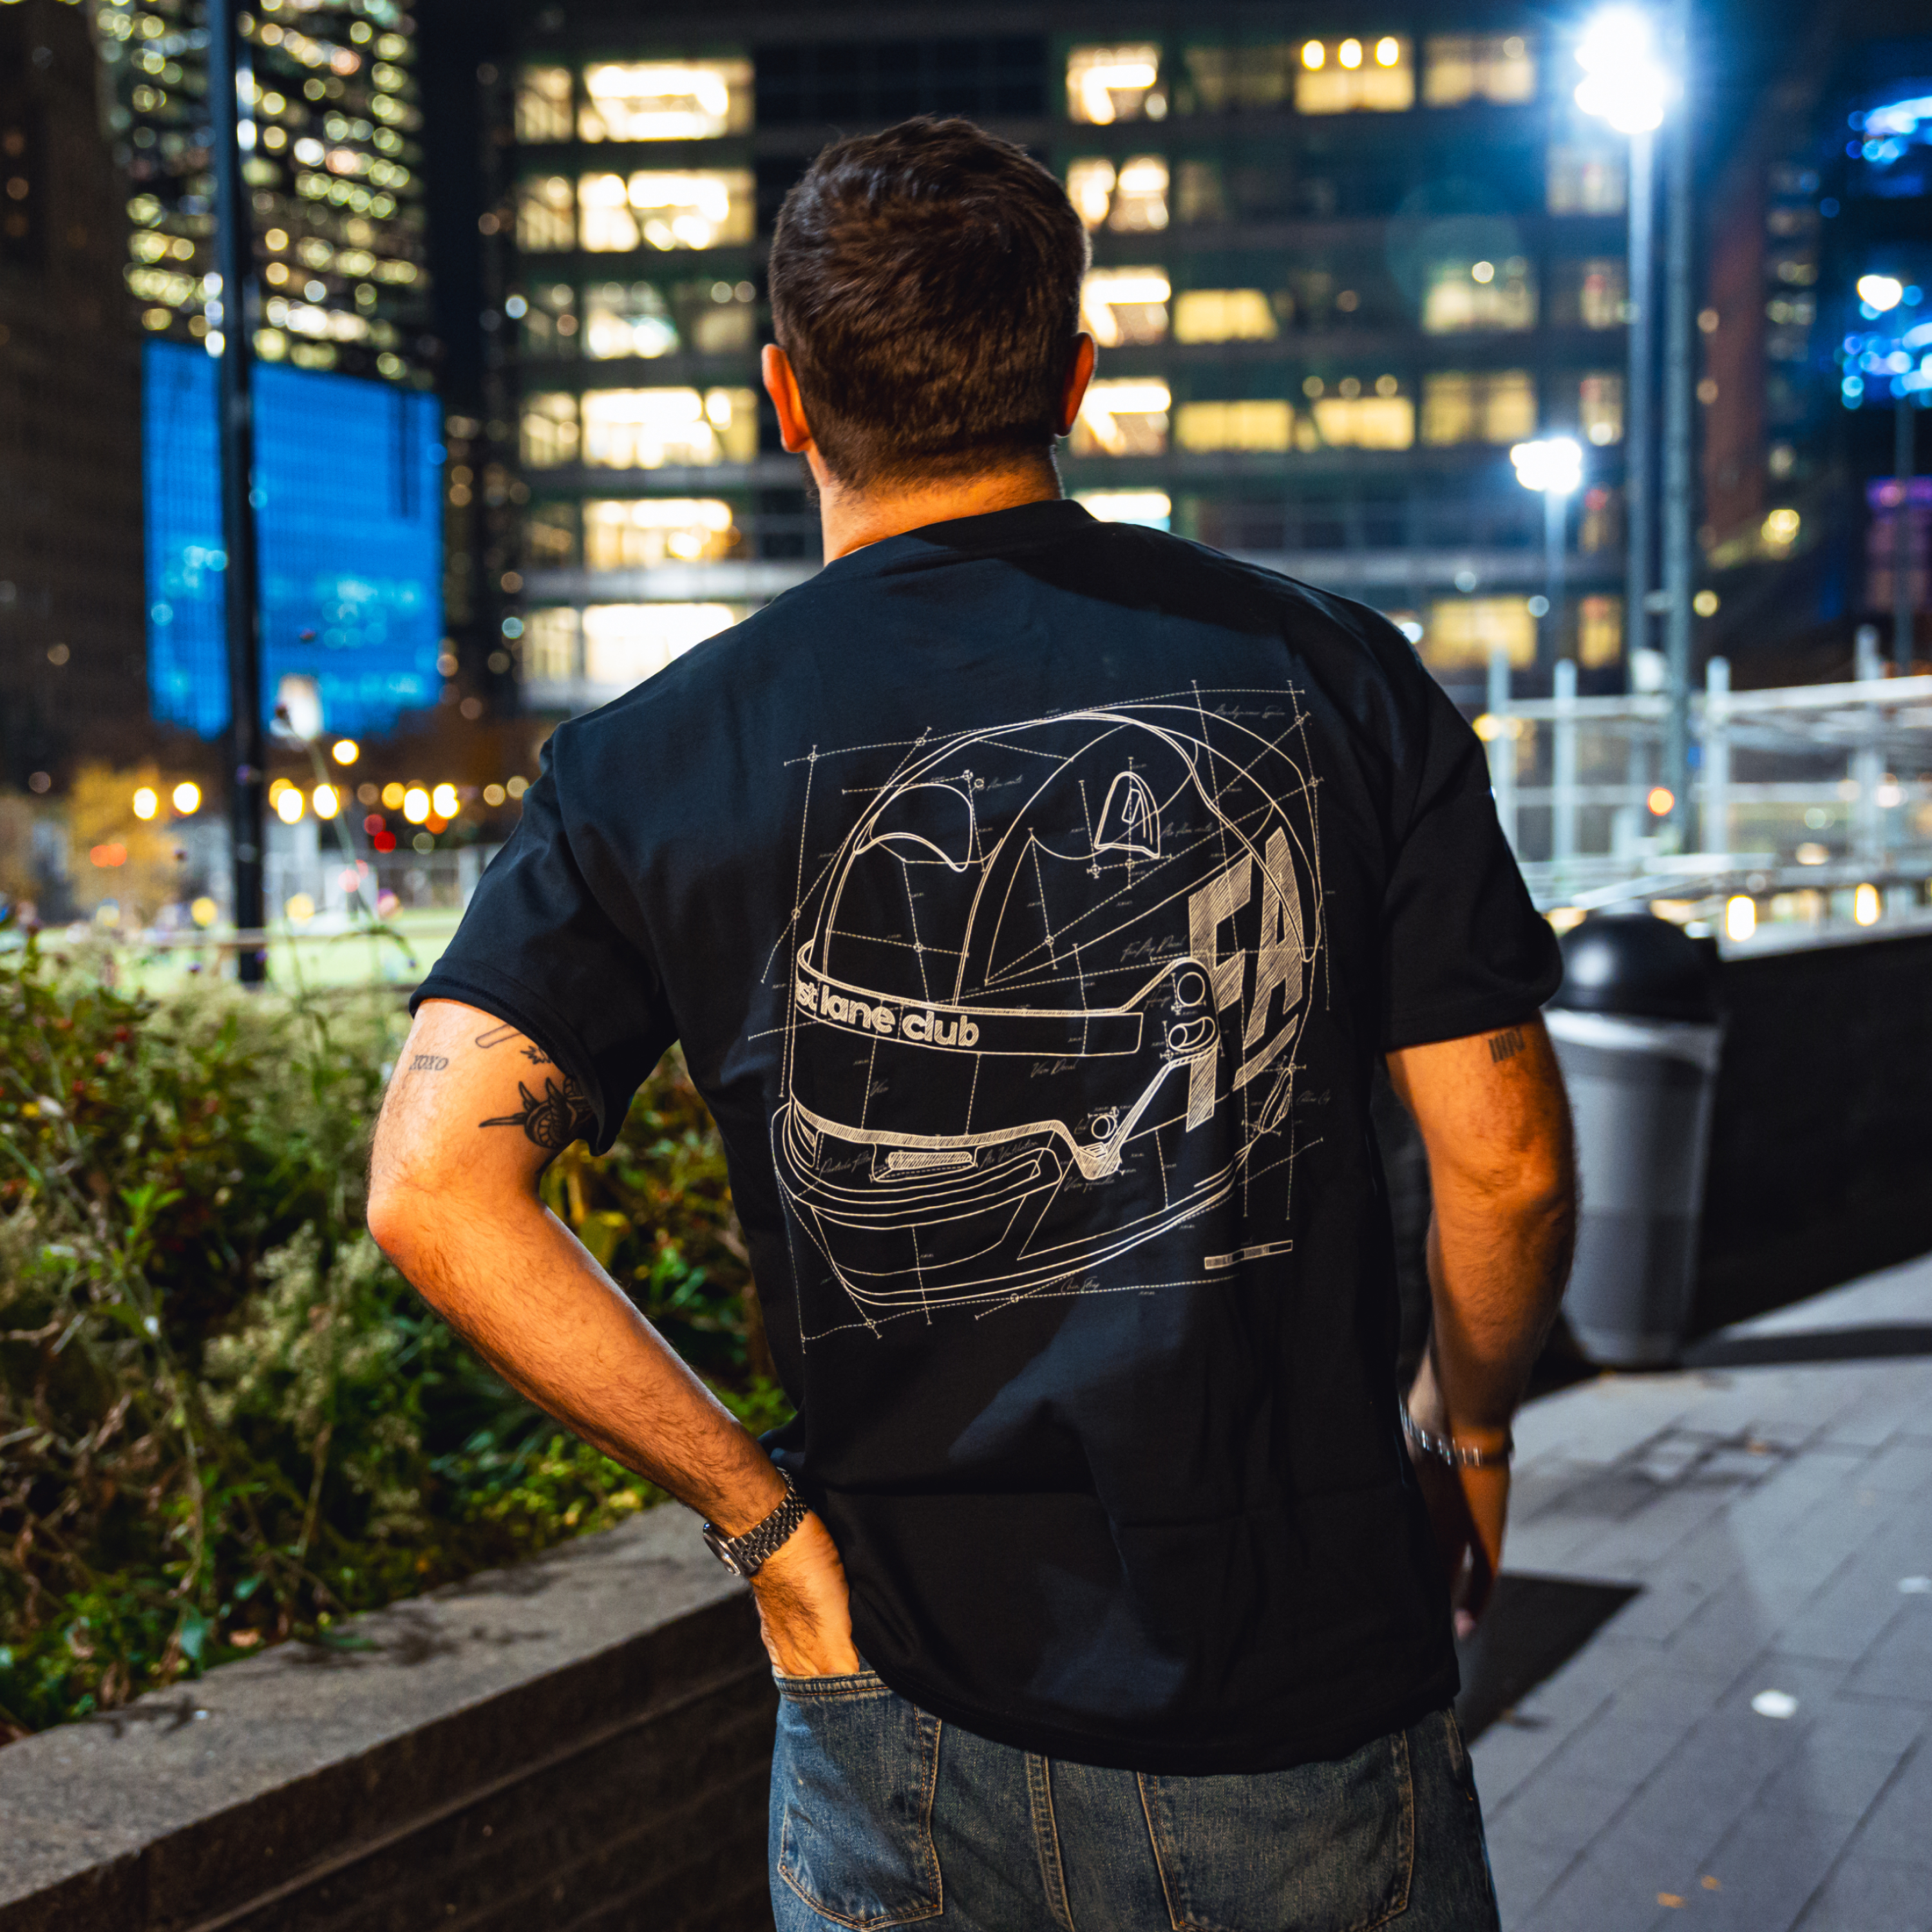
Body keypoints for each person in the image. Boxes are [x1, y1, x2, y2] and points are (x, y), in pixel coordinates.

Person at [368, 117, 1575, 1932]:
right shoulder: (1334, 673)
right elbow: (1511, 1161)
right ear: (1076, 373)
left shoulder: (652, 762)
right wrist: (1467, 1435)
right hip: (1304, 1694)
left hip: (899, 1708)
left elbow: (432, 1192)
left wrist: (763, 1529)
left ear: (788, 398)